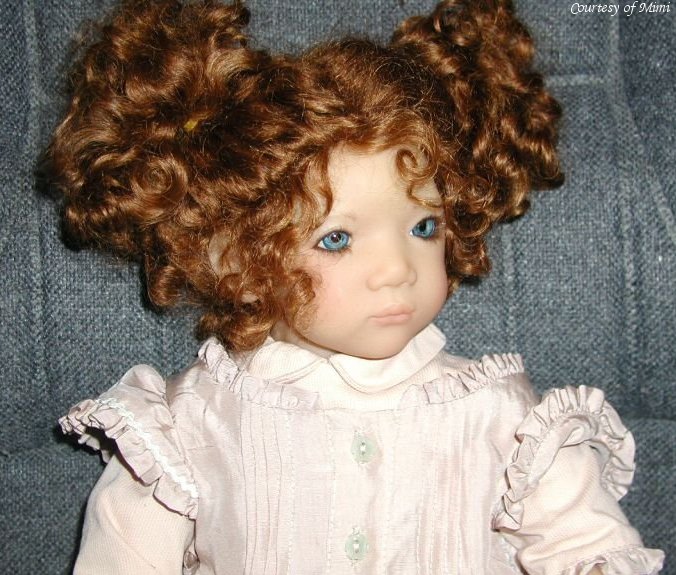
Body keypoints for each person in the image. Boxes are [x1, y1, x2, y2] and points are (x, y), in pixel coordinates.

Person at [51, 0, 665, 572]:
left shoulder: (504, 418)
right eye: (337, 238)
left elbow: (589, 546)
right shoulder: (190, 425)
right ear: (235, 259)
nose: (397, 268)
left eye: (423, 227)